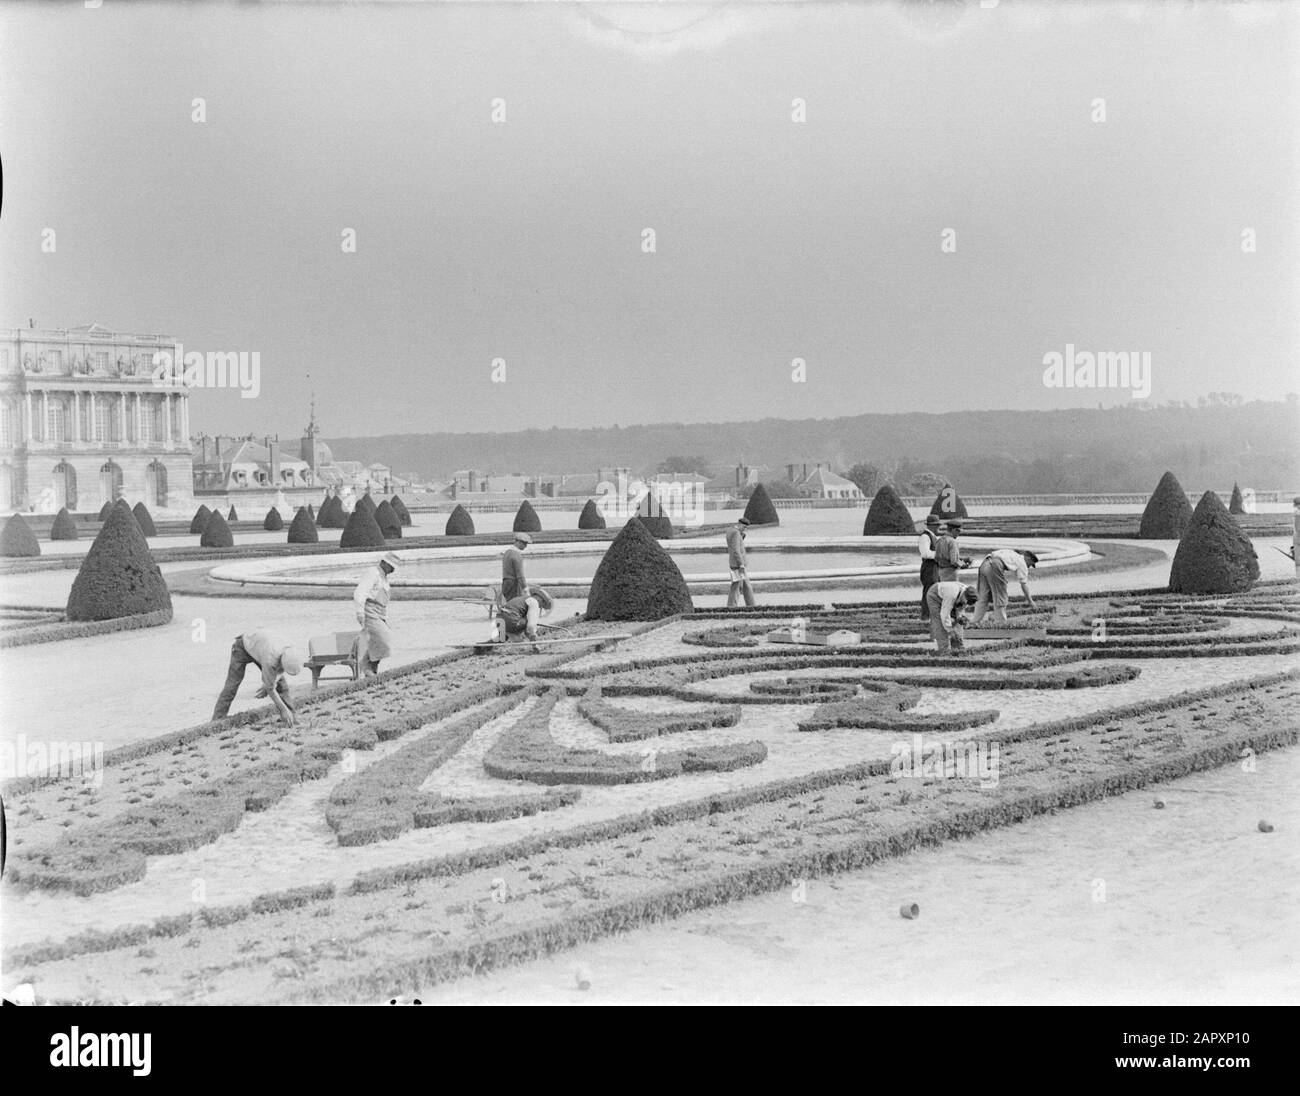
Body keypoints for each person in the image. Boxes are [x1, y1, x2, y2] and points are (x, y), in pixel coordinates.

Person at [212, 628, 302, 724]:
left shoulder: (291, 649)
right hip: (243, 646)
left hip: (261, 647)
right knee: (232, 684)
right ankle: (217, 719)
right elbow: (270, 688)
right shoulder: (270, 659)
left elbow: (279, 672)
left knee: (282, 686)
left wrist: (269, 681)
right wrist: (269, 685)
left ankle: (291, 715)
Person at [353, 551, 400, 676]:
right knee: (385, 638)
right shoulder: (373, 573)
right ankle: (365, 664)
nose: (393, 570)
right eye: (391, 567)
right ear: (384, 563)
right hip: (370, 612)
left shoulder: (383, 576)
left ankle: (372, 671)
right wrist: (360, 612)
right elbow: (360, 592)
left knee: (378, 643)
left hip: (380, 614)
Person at [970, 549, 1039, 626]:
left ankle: (974, 622)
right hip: (995, 565)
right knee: (1001, 596)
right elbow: (1023, 584)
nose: (1029, 567)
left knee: (983, 597)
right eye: (1030, 564)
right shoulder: (1022, 562)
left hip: (985, 563)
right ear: (1028, 558)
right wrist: (1031, 601)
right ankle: (1001, 623)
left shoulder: (1013, 554)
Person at [499, 532, 541, 640]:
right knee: (519, 608)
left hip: (506, 583)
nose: (526, 546)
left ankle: (509, 632)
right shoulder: (516, 555)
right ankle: (522, 632)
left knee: (510, 606)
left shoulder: (507, 553)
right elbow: (520, 575)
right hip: (514, 584)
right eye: (524, 543)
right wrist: (526, 589)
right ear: (518, 542)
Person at [926, 582, 977, 655]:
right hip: (935, 595)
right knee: (939, 621)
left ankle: (958, 647)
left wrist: (960, 618)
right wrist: (950, 630)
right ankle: (944, 650)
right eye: (966, 602)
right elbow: (944, 614)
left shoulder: (968, 594)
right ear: (964, 595)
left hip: (948, 596)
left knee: (958, 621)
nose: (966, 604)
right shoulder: (952, 595)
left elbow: (960, 610)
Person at [726, 516, 756, 608]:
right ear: (740, 524)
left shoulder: (731, 530)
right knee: (737, 585)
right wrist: (741, 564)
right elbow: (736, 550)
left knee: (745, 585)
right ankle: (732, 606)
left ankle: (751, 605)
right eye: (744, 527)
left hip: (735, 562)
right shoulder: (736, 533)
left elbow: (735, 545)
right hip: (737, 564)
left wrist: (742, 534)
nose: (745, 529)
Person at [918, 514, 943, 620]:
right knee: (929, 591)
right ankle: (925, 615)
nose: (938, 527)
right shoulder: (925, 537)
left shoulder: (933, 536)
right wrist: (939, 554)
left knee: (934, 591)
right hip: (929, 567)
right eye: (937, 525)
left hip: (934, 567)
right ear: (931, 525)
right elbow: (925, 553)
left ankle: (931, 615)